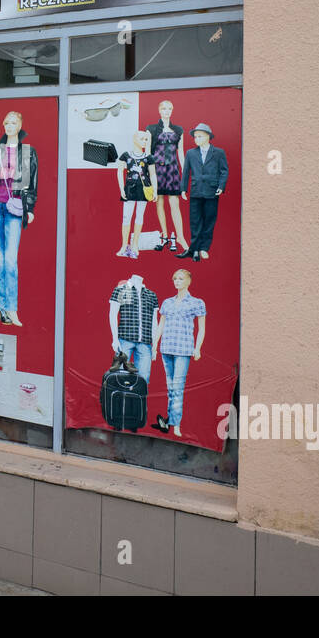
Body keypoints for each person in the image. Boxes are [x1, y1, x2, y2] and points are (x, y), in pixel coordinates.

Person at [0, 111, 37, 326]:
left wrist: (29, 208)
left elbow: (32, 182)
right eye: (7, 123)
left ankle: (11, 308)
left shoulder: (28, 152)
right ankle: (2, 306)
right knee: (0, 259)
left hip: (15, 208)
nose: (10, 126)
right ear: (4, 126)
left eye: (14, 123)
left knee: (10, 261)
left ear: (20, 125)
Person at [152, 268, 206, 437]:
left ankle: (175, 424)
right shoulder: (167, 302)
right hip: (166, 348)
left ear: (188, 281)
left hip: (183, 350)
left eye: (180, 278)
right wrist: (155, 345)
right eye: (175, 278)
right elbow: (161, 325)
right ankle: (171, 420)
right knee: (170, 387)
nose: (177, 281)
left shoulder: (197, 303)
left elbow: (201, 328)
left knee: (178, 387)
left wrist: (197, 348)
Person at [178, 122, 228, 261]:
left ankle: (204, 248)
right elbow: (186, 172)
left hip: (212, 191)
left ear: (207, 137)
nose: (196, 139)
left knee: (209, 220)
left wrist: (221, 186)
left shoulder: (218, 152)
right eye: (195, 137)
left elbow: (224, 171)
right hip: (196, 191)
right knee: (195, 221)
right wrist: (183, 189)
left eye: (199, 136)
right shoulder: (191, 153)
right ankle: (194, 249)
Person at [146, 100, 188, 252]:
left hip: (172, 170)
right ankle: (164, 235)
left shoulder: (178, 130)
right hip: (156, 170)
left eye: (169, 108)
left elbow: (181, 153)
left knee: (174, 204)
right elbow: (148, 154)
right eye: (164, 108)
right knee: (159, 202)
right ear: (159, 110)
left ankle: (180, 237)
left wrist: (185, 173)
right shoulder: (151, 129)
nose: (166, 111)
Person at [109, 274, 158, 385]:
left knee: (143, 380)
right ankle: (120, 402)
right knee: (120, 378)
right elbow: (113, 315)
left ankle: (137, 402)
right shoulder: (120, 290)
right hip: (125, 341)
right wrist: (115, 339)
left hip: (145, 343)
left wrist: (154, 345)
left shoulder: (151, 295)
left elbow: (155, 321)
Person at [116, 130, 157, 259]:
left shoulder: (148, 158)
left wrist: (155, 190)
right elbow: (119, 172)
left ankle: (134, 244)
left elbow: (153, 174)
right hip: (129, 190)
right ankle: (124, 245)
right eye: (141, 139)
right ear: (134, 139)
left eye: (146, 139)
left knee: (139, 216)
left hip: (143, 190)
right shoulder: (125, 155)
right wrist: (122, 190)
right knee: (126, 217)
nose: (144, 141)